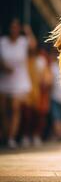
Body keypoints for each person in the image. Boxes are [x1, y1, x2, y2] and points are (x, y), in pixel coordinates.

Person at [0, 18, 37, 148]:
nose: (14, 30)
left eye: (16, 27)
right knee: (4, 111)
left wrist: (28, 32)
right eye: (12, 27)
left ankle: (11, 137)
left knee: (15, 108)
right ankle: (5, 134)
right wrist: (3, 66)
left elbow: (33, 46)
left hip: (19, 81)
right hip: (4, 80)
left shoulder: (23, 41)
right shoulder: (2, 42)